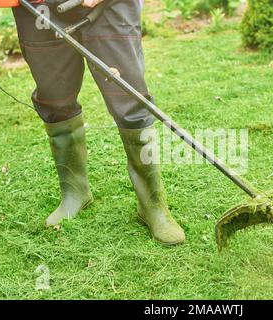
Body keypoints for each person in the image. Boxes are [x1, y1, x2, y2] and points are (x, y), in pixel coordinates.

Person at [11, 0, 185, 245]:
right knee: (55, 98)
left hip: (112, 5)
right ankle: (75, 192)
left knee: (129, 97)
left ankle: (152, 205)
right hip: (38, 7)